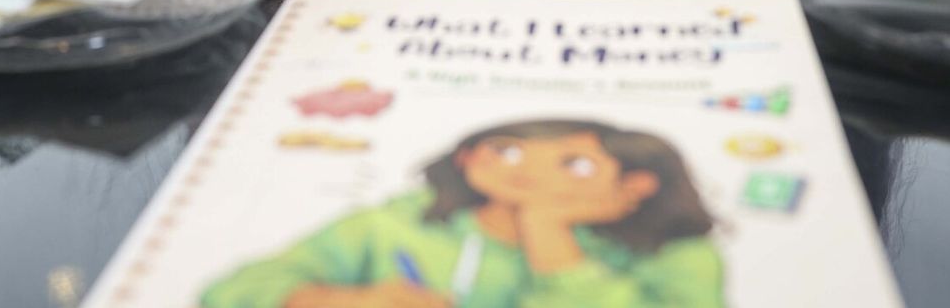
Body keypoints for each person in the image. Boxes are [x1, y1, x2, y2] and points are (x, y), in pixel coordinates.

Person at [198, 118, 725, 308]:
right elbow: (229, 292)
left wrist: (548, 235)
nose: (528, 173)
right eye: (508, 150)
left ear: (636, 184)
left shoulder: (676, 251)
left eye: (573, 164)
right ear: (470, 157)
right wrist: (323, 300)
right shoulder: (402, 222)